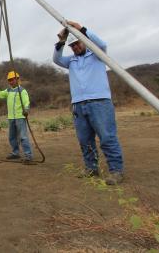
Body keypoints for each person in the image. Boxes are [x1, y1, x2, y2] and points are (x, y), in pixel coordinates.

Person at [53, 20, 125, 185]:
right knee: (85, 140)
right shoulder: (71, 61)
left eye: (78, 43)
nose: (76, 47)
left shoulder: (97, 54)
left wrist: (81, 29)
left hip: (99, 102)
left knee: (107, 137)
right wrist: (61, 41)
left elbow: (102, 43)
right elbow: (56, 59)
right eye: (73, 46)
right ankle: (91, 168)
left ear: (83, 42)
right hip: (79, 105)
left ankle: (116, 171)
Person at [0, 71, 33, 163]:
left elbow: (26, 102)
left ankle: (28, 155)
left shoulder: (22, 91)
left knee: (23, 137)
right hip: (11, 117)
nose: (11, 82)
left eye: (12, 79)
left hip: (20, 117)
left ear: (17, 79)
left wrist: (26, 110)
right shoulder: (8, 90)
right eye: (9, 80)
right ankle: (15, 153)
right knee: (12, 137)